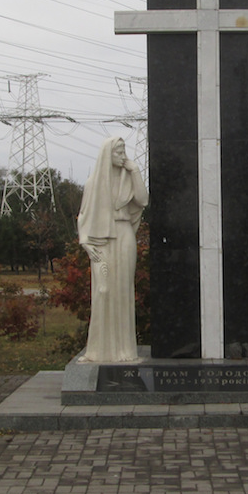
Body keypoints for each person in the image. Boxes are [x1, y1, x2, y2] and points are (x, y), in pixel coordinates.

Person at [76, 137, 148, 362]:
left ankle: (125, 350)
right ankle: (98, 350)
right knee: (103, 291)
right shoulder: (93, 183)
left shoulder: (128, 178)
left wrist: (135, 170)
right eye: (118, 151)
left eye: (124, 150)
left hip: (124, 236)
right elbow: (84, 216)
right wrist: (85, 243)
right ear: (107, 154)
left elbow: (143, 200)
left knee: (123, 291)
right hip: (101, 240)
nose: (122, 155)